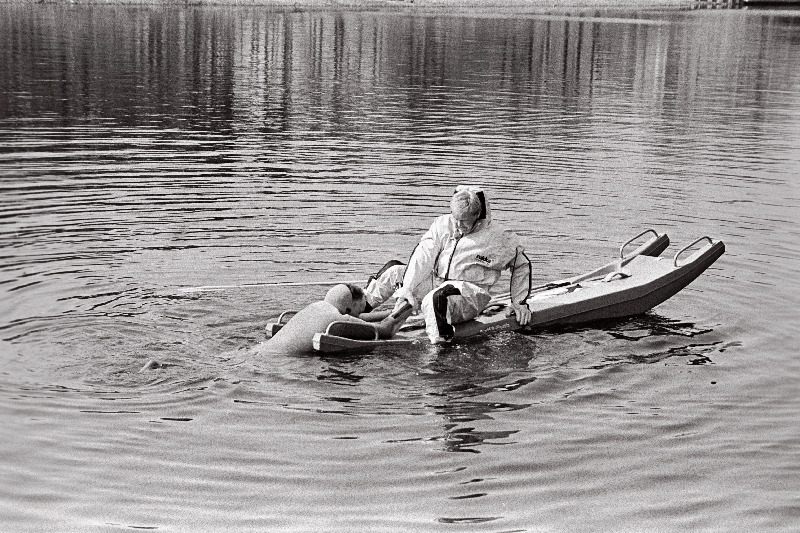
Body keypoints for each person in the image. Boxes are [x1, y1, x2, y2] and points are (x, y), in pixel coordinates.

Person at [372, 185, 533, 343]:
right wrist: (407, 288)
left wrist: (519, 303)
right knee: (394, 271)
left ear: (477, 216)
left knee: (436, 299)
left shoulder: (499, 237)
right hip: (438, 282)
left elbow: (521, 265)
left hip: (469, 294)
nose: (458, 225)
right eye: (455, 219)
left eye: (464, 221)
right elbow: (423, 256)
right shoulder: (442, 224)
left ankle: (440, 351)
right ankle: (357, 311)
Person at [259, 283, 409, 354]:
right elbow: (386, 330)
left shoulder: (316, 307)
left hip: (260, 351)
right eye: (358, 310)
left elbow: (358, 318)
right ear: (348, 309)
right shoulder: (337, 321)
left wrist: (389, 312)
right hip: (277, 362)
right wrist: (408, 307)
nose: (360, 315)